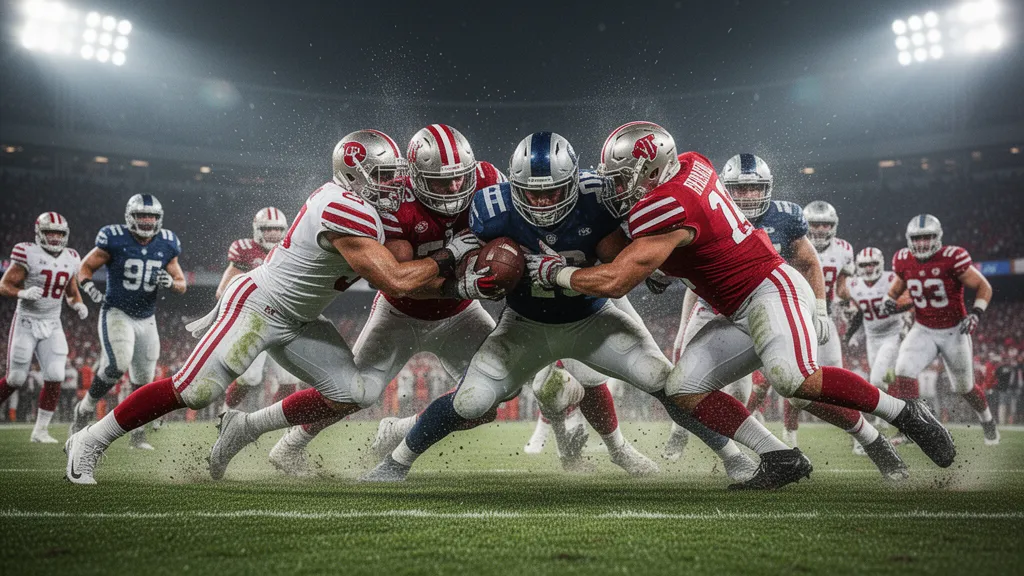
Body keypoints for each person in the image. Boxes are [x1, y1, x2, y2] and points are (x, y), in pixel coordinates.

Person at [529, 121, 955, 489]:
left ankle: (903, 412)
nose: (621, 189)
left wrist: (555, 272)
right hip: (735, 309)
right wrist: (662, 268)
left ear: (654, 170)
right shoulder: (693, 163)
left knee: (794, 379)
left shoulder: (663, 206)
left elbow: (619, 279)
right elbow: (694, 247)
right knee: (682, 391)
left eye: (627, 179)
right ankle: (778, 456)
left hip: (770, 289)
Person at [64, 129, 492, 485]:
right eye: (382, 176)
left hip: (302, 318)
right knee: (196, 391)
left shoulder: (368, 205)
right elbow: (396, 279)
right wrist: (454, 251)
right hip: (259, 307)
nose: (393, 185)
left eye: (394, 174)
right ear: (353, 177)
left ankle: (243, 427)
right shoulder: (344, 208)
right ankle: (92, 439)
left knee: (356, 392)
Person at [362, 131, 755, 483]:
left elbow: (618, 259)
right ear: (513, 186)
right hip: (524, 325)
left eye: (553, 190)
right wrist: (470, 274)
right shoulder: (491, 207)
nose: (543, 200)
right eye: (532, 192)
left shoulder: (596, 200)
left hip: (591, 317)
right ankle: (396, 462)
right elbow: (467, 265)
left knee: (665, 383)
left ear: (573, 182)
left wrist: (646, 265)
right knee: (472, 400)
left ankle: (732, 456)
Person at [662, 156, 905, 480]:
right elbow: (693, 280)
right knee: (697, 389)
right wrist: (682, 329)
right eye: (741, 188)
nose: (748, 196)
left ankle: (871, 437)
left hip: (772, 306)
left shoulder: (784, 217)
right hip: (717, 312)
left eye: (754, 188)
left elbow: (809, 261)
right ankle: (743, 455)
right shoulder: (703, 212)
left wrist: (819, 307)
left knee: (803, 389)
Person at [71, 194, 187, 450]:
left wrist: (171, 283)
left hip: (147, 317)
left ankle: (138, 433)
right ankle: (85, 408)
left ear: (159, 219)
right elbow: (85, 267)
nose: (146, 221)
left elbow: (181, 283)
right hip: (117, 312)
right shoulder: (113, 238)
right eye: (141, 216)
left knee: (144, 379)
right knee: (117, 364)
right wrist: (89, 287)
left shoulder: (168, 243)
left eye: (151, 217)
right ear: (130, 217)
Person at [884, 214, 999, 446]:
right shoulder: (903, 259)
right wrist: (890, 298)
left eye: (927, 238)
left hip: (954, 330)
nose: (922, 244)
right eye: (917, 238)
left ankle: (987, 421)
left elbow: (983, 286)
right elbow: (899, 284)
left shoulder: (952, 257)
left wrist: (976, 313)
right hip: (923, 327)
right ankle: (913, 428)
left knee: (964, 387)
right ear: (909, 240)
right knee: (904, 369)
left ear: (938, 238)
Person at [0, 212, 88, 442]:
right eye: (50, 232)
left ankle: (40, 431)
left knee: (56, 374)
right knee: (16, 378)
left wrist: (77, 304)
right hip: (26, 320)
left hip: (52, 322)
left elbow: (71, 291)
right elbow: (4, 285)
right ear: (39, 233)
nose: (55, 238)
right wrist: (22, 292)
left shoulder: (71, 257)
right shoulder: (27, 252)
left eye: (59, 233)